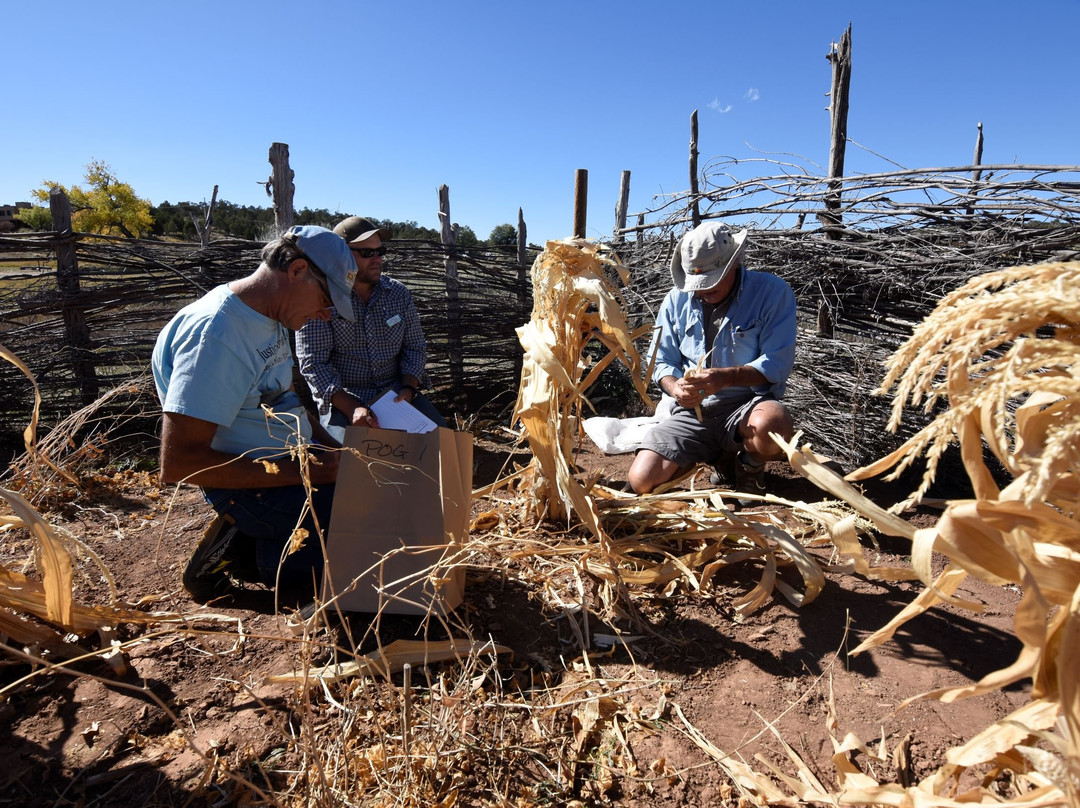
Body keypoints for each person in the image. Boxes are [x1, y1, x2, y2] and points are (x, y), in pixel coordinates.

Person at [152, 225, 358, 599]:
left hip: (290, 464)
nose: (326, 315)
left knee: (374, 506)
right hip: (247, 484)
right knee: (355, 557)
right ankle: (244, 553)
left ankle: (254, 539)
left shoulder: (268, 315)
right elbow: (180, 463)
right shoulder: (216, 337)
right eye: (326, 299)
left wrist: (331, 448)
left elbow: (284, 398)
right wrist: (308, 471)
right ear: (296, 271)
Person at [627, 221, 797, 501]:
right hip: (694, 410)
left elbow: (777, 362)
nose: (703, 291)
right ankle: (721, 460)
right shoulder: (675, 301)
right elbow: (659, 362)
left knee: (773, 424)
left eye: (712, 281)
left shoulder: (772, 293)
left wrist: (727, 377)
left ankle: (750, 469)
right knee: (642, 481)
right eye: (697, 285)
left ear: (734, 264)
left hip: (746, 406)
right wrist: (674, 388)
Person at [296, 216, 445, 442]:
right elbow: (313, 363)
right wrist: (352, 407)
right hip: (345, 398)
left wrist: (408, 389)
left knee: (444, 447)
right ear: (342, 254)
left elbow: (415, 347)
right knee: (349, 464)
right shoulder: (321, 298)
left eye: (379, 251)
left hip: (396, 395)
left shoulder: (398, 294)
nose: (376, 259)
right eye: (366, 253)